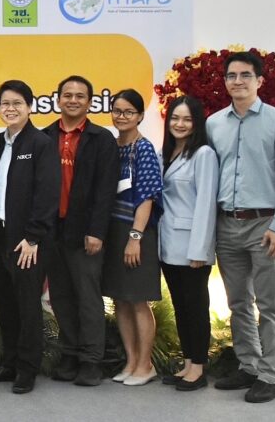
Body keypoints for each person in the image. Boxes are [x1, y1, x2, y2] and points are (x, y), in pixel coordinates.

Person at [207, 51, 275, 403]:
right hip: (227, 224)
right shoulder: (215, 123)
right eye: (232, 75)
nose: (238, 81)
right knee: (238, 302)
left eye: (246, 75)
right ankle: (248, 365)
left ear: (259, 80)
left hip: (265, 225)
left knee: (270, 304)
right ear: (225, 81)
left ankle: (269, 375)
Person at [0, 80, 59, 394]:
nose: (10, 109)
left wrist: (33, 237)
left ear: (29, 107)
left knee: (27, 306)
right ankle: (9, 364)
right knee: (6, 304)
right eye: (5, 104)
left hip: (26, 241)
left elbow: (47, 194)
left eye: (17, 103)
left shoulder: (41, 143)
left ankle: (27, 369)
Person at [42, 75, 119, 386]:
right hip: (52, 231)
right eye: (67, 95)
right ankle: (70, 354)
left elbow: (105, 190)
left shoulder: (102, 139)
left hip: (85, 231)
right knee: (60, 296)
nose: (73, 100)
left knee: (87, 297)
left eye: (80, 96)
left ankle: (91, 360)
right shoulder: (45, 136)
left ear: (90, 102)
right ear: (58, 99)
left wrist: (97, 231)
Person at [101, 89, 163, 386]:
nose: (121, 116)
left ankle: (145, 364)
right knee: (120, 300)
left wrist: (135, 237)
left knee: (138, 300)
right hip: (112, 232)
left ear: (140, 116)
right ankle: (131, 360)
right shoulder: (112, 147)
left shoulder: (144, 148)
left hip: (136, 233)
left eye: (128, 112)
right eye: (117, 110)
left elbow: (147, 197)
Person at [158, 96, 218, 391]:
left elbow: (206, 203)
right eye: (175, 118)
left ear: (197, 124)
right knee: (181, 307)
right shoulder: (166, 153)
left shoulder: (203, 154)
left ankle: (199, 368)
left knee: (196, 307)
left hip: (192, 246)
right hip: (168, 243)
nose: (179, 124)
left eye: (187, 119)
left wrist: (200, 249)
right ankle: (188, 362)